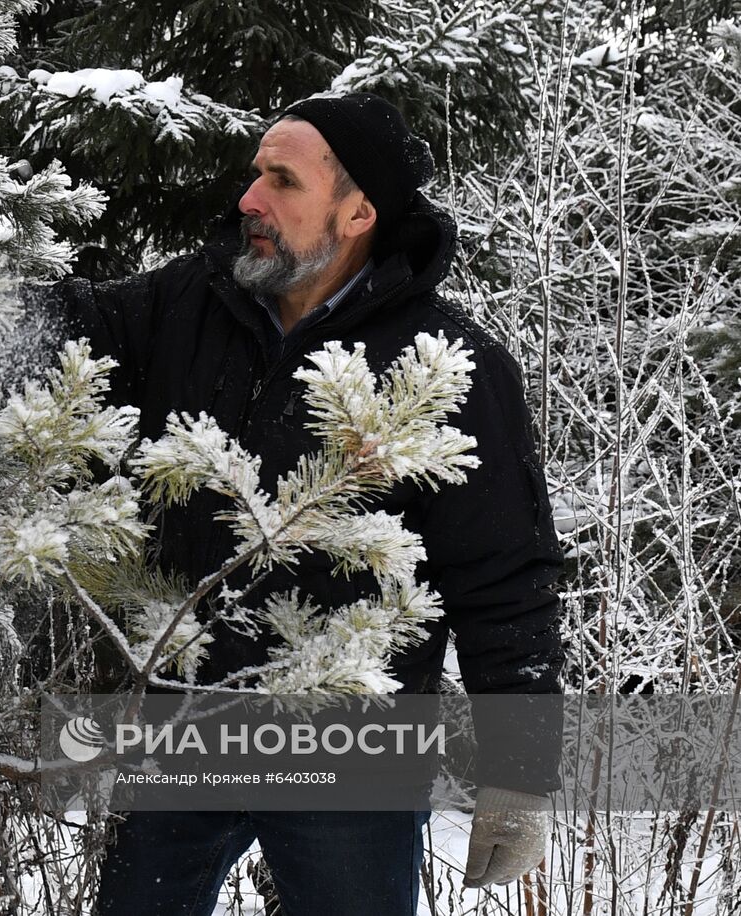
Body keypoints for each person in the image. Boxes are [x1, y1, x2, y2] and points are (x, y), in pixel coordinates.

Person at [34, 93, 566, 914]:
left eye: (282, 181)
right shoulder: (190, 303)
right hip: (185, 719)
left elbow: (505, 579)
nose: (250, 199)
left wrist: (518, 777)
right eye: (256, 176)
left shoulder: (449, 367)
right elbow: (62, 333)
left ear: (358, 213)